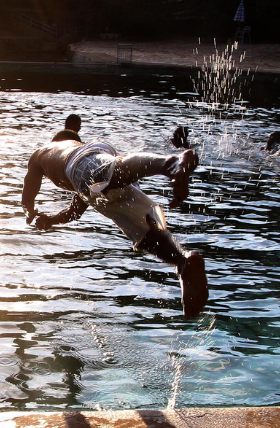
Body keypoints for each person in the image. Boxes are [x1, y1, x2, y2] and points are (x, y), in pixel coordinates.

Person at [21, 134, 208, 318]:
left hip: (88, 161)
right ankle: (182, 261)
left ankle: (170, 163)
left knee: (109, 170)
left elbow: (29, 186)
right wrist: (51, 220)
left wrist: (28, 210)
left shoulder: (43, 152)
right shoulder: (80, 176)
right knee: (144, 233)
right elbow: (75, 212)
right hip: (94, 174)